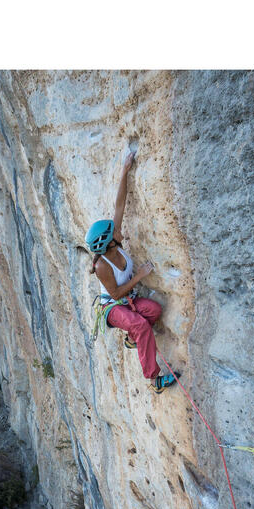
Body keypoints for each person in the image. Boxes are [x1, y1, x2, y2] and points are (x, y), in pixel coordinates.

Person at [85, 150, 178, 395]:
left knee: (154, 311)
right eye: (114, 231)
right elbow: (114, 294)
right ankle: (154, 379)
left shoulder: (115, 242)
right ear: (110, 242)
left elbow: (120, 204)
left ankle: (132, 338)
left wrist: (125, 171)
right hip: (112, 307)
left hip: (127, 300)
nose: (118, 228)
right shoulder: (102, 266)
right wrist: (139, 276)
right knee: (140, 325)